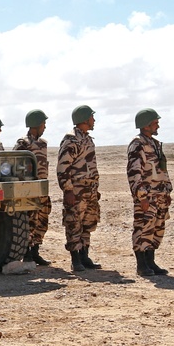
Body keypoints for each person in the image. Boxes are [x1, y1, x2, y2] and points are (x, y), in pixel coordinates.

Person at [56, 105, 101, 272]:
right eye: (91, 117)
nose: (94, 120)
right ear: (84, 119)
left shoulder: (88, 140)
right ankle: (75, 259)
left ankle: (84, 256)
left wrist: (95, 189)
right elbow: (63, 167)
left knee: (88, 223)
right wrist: (68, 190)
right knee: (74, 223)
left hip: (90, 189)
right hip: (76, 190)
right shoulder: (71, 140)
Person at [127, 109, 172, 276]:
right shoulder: (137, 144)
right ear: (146, 125)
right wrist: (142, 196)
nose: (157, 124)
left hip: (159, 195)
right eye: (155, 122)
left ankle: (150, 261)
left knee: (156, 228)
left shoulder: (154, 144)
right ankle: (141, 265)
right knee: (143, 227)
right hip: (146, 195)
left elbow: (162, 170)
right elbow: (134, 173)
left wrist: (167, 191)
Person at [15, 109, 52, 266]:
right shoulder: (23, 144)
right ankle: (27, 252)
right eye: (43, 123)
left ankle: (35, 250)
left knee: (42, 220)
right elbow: (15, 166)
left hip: (42, 189)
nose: (45, 127)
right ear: (36, 124)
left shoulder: (42, 143)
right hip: (29, 189)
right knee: (29, 221)